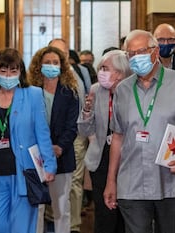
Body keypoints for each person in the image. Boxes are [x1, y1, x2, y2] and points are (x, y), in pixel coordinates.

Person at [103, 30, 175, 233]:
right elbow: (117, 137)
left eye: (141, 51)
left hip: (171, 181)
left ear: (155, 52)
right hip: (132, 182)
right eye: (131, 54)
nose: (136, 58)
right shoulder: (122, 90)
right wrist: (111, 181)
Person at [0, 48, 57, 233]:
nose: (8, 76)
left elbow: (42, 133)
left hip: (23, 174)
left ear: (20, 72)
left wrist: (49, 165)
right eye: (4, 71)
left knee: (21, 229)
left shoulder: (33, 95)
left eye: (13, 71)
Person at [77, 50, 132, 233]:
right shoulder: (95, 90)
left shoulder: (133, 90)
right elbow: (84, 130)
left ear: (119, 72)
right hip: (101, 158)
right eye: (100, 68)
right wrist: (86, 111)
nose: (101, 72)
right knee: (104, 213)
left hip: (127, 160)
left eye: (105, 68)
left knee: (126, 214)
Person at [28, 46, 80, 233]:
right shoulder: (30, 91)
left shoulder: (70, 92)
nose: (51, 66)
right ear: (39, 66)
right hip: (35, 157)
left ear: (62, 66)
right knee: (37, 207)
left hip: (62, 156)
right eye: (47, 63)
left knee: (61, 207)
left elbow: (72, 126)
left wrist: (59, 147)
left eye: (55, 63)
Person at [48, 39, 90, 233]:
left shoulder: (80, 74)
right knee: (50, 181)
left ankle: (72, 225)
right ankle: (51, 218)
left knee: (73, 181)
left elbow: (87, 101)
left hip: (76, 136)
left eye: (62, 53)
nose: (59, 57)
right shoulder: (41, 80)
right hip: (48, 140)